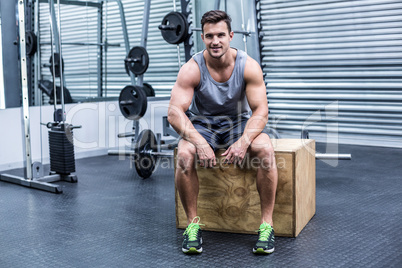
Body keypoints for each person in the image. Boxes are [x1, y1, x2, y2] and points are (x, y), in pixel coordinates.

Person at [167, 10, 278, 255]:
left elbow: (260, 110)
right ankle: (192, 225)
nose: (215, 41)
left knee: (266, 149)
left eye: (220, 35)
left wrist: (243, 142)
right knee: (184, 154)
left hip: (238, 123)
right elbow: (174, 112)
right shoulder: (191, 69)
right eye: (209, 36)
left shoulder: (248, 66)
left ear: (230, 35)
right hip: (203, 125)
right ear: (203, 38)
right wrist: (200, 143)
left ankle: (266, 225)